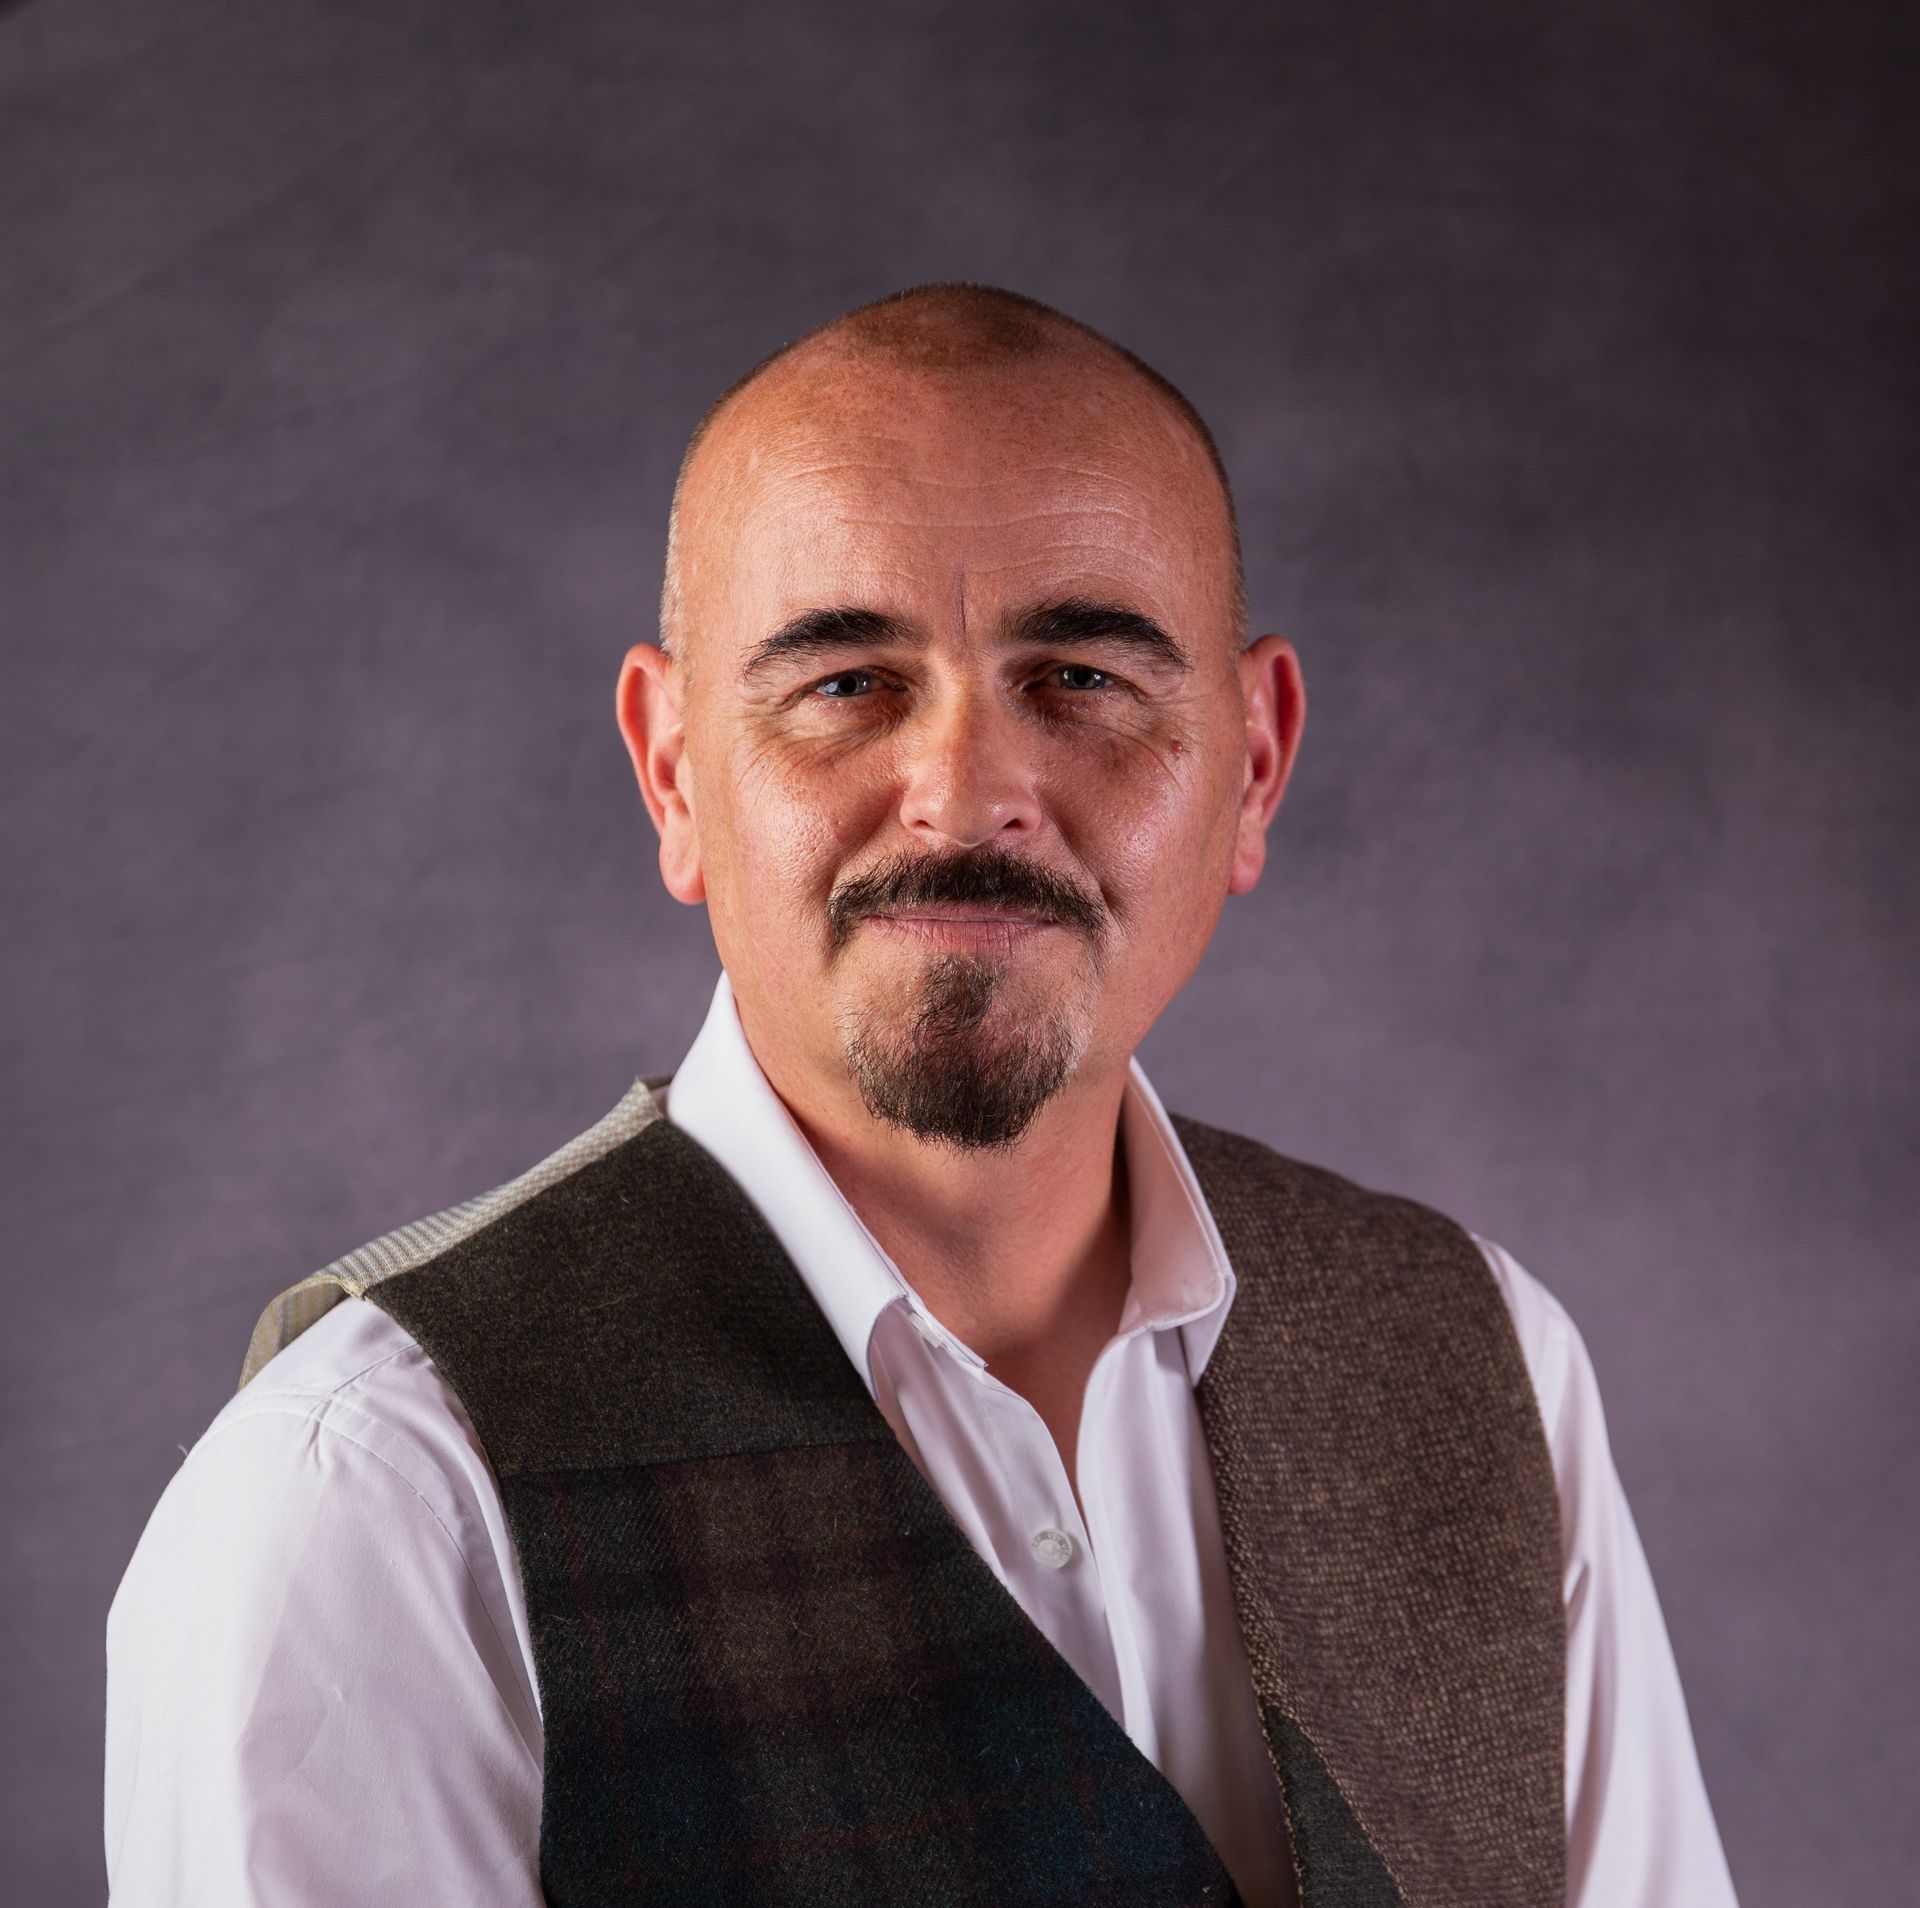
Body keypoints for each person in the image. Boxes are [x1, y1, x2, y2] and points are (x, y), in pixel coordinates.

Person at [105, 282, 1740, 1908]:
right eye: (846, 684)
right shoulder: (376, 1502)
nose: (965, 796)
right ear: (675, 774)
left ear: (1254, 764)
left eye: (1080, 678)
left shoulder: (1483, 1367)